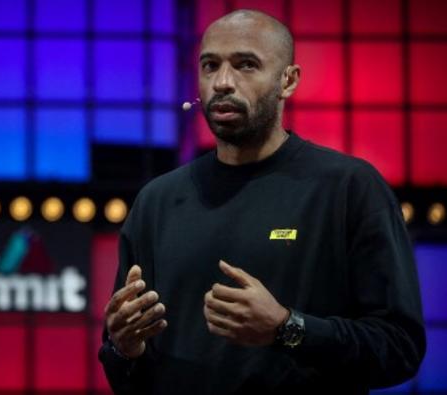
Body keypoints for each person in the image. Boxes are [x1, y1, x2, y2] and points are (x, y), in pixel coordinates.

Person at [98, 9, 425, 395]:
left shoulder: (348, 188)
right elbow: (126, 373)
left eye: (246, 65)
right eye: (210, 66)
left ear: (288, 80)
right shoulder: (158, 201)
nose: (222, 82)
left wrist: (287, 328)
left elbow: (399, 347)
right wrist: (124, 349)